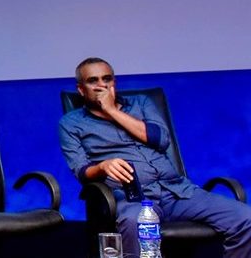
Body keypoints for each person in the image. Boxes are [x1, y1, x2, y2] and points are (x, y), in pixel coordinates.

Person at [59, 57, 251, 256]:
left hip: (178, 191)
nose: (102, 85)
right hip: (132, 198)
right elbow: (81, 171)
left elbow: (160, 139)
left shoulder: (141, 103)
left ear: (114, 83)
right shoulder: (71, 123)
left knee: (246, 218)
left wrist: (111, 110)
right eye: (93, 80)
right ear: (81, 89)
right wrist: (102, 167)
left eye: (107, 79)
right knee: (134, 222)